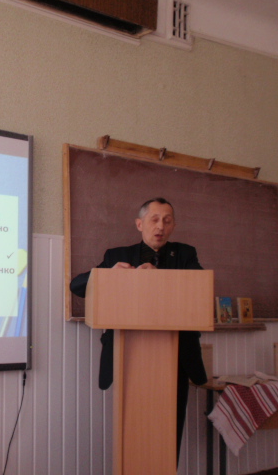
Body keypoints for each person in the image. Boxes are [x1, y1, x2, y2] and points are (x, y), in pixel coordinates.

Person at [69, 197, 207, 463]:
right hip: (128, 357)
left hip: (176, 358)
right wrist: (108, 274)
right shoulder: (116, 256)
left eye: (167, 221)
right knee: (132, 436)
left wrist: (161, 278)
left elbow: (201, 290)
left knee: (169, 437)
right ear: (139, 224)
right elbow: (77, 286)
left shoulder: (185, 254)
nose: (160, 226)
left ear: (173, 226)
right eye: (154, 219)